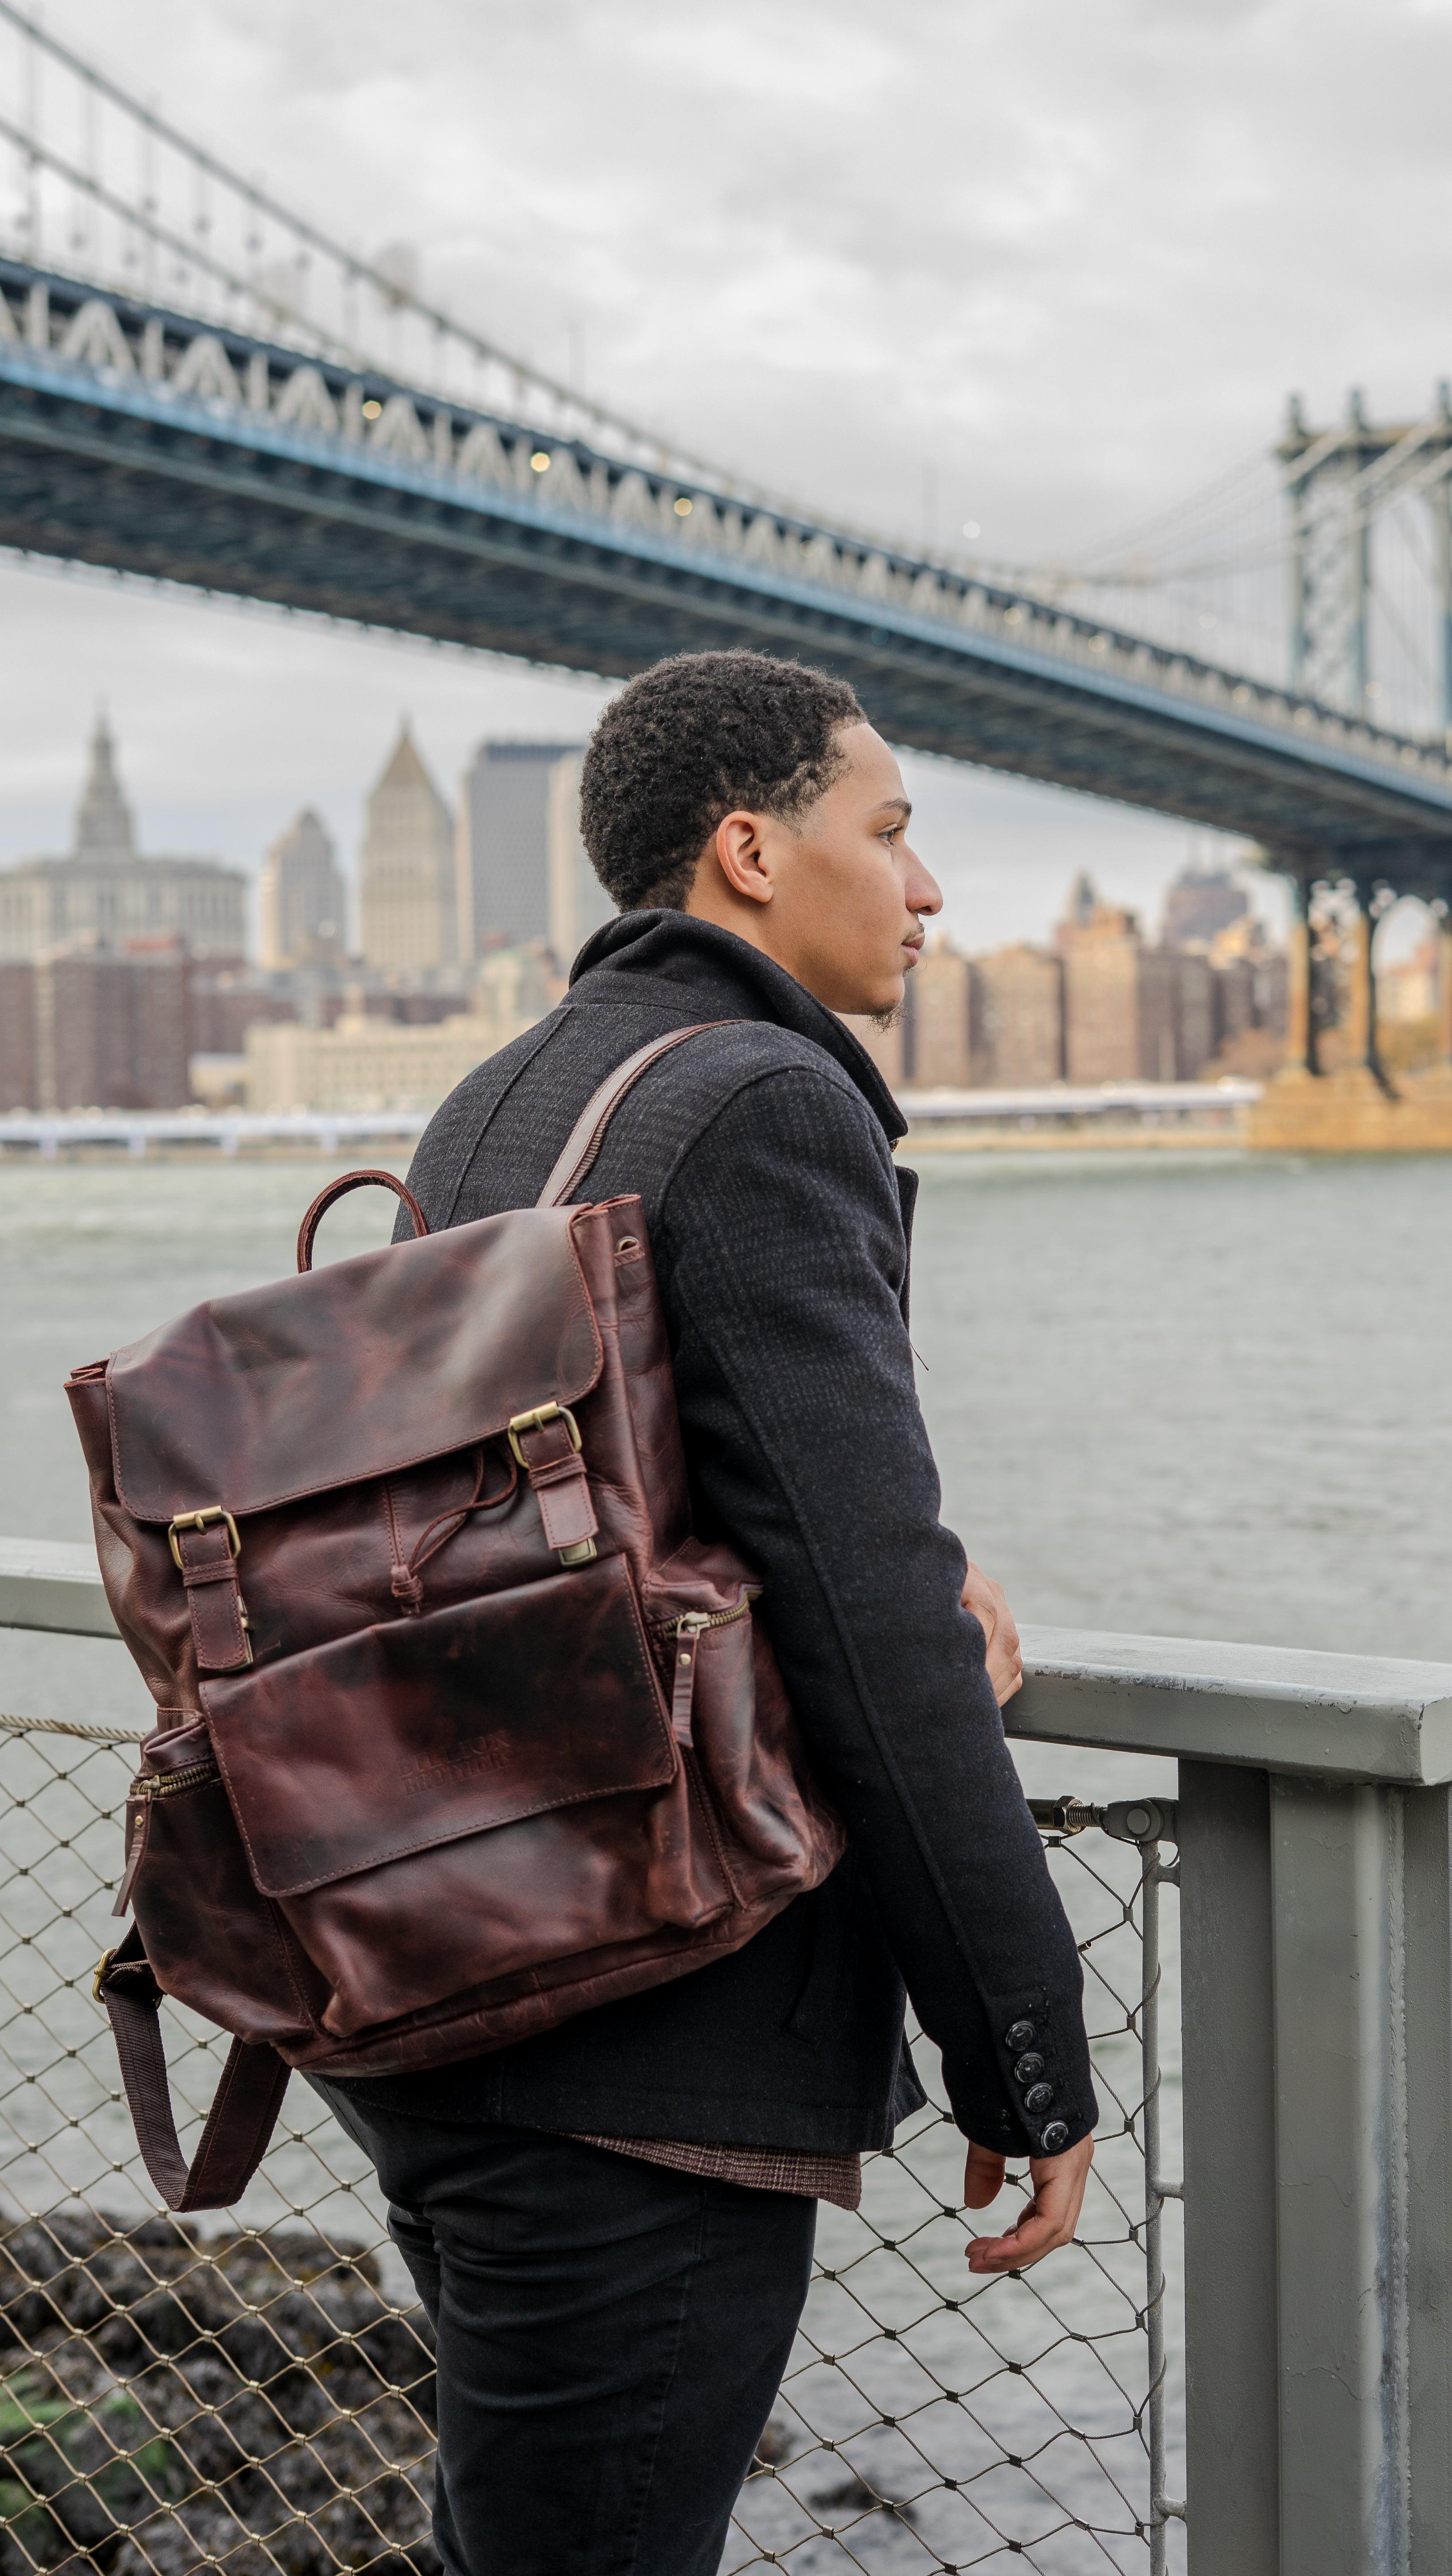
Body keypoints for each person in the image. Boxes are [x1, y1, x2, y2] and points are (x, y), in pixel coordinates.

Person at [313, 648, 1097, 2576]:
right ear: (749, 852)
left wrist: (897, 1558)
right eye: (891, 831)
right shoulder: (759, 1102)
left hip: (433, 1979)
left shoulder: (507, 1096)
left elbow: (597, 1501)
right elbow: (870, 1626)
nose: (924, 890)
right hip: (639, 2043)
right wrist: (1022, 2046)